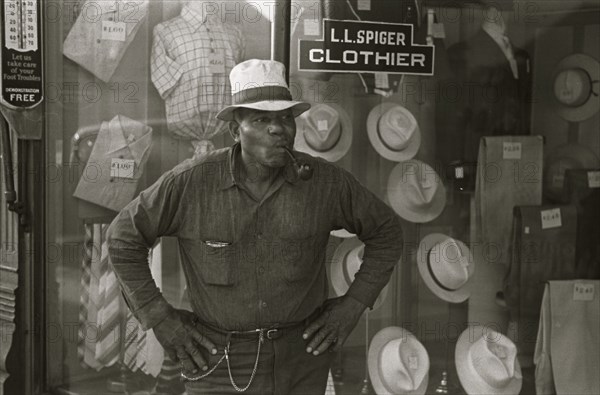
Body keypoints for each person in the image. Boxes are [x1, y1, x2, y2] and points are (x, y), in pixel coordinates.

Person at [107, 59, 403, 394]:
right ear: (236, 130)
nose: (278, 129)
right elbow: (122, 239)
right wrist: (159, 318)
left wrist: (352, 306)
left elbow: (387, 233)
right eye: (262, 119)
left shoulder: (324, 183)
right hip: (218, 362)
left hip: (303, 360)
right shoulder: (192, 183)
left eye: (285, 118)